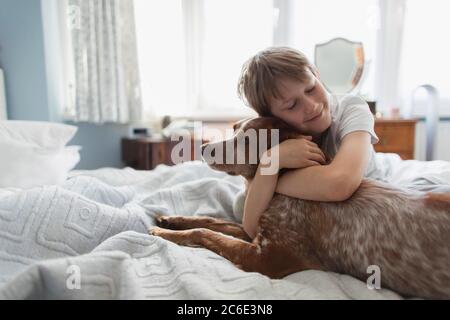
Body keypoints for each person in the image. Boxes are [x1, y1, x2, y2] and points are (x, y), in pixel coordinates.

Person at [235, 46, 380, 239]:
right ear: (272, 117)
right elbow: (252, 228)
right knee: (239, 204)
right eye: (292, 105)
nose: (312, 106)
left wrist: (268, 173)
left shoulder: (352, 108)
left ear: (317, 75)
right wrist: (272, 158)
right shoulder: (273, 136)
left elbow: (340, 183)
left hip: (368, 192)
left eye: (311, 89)